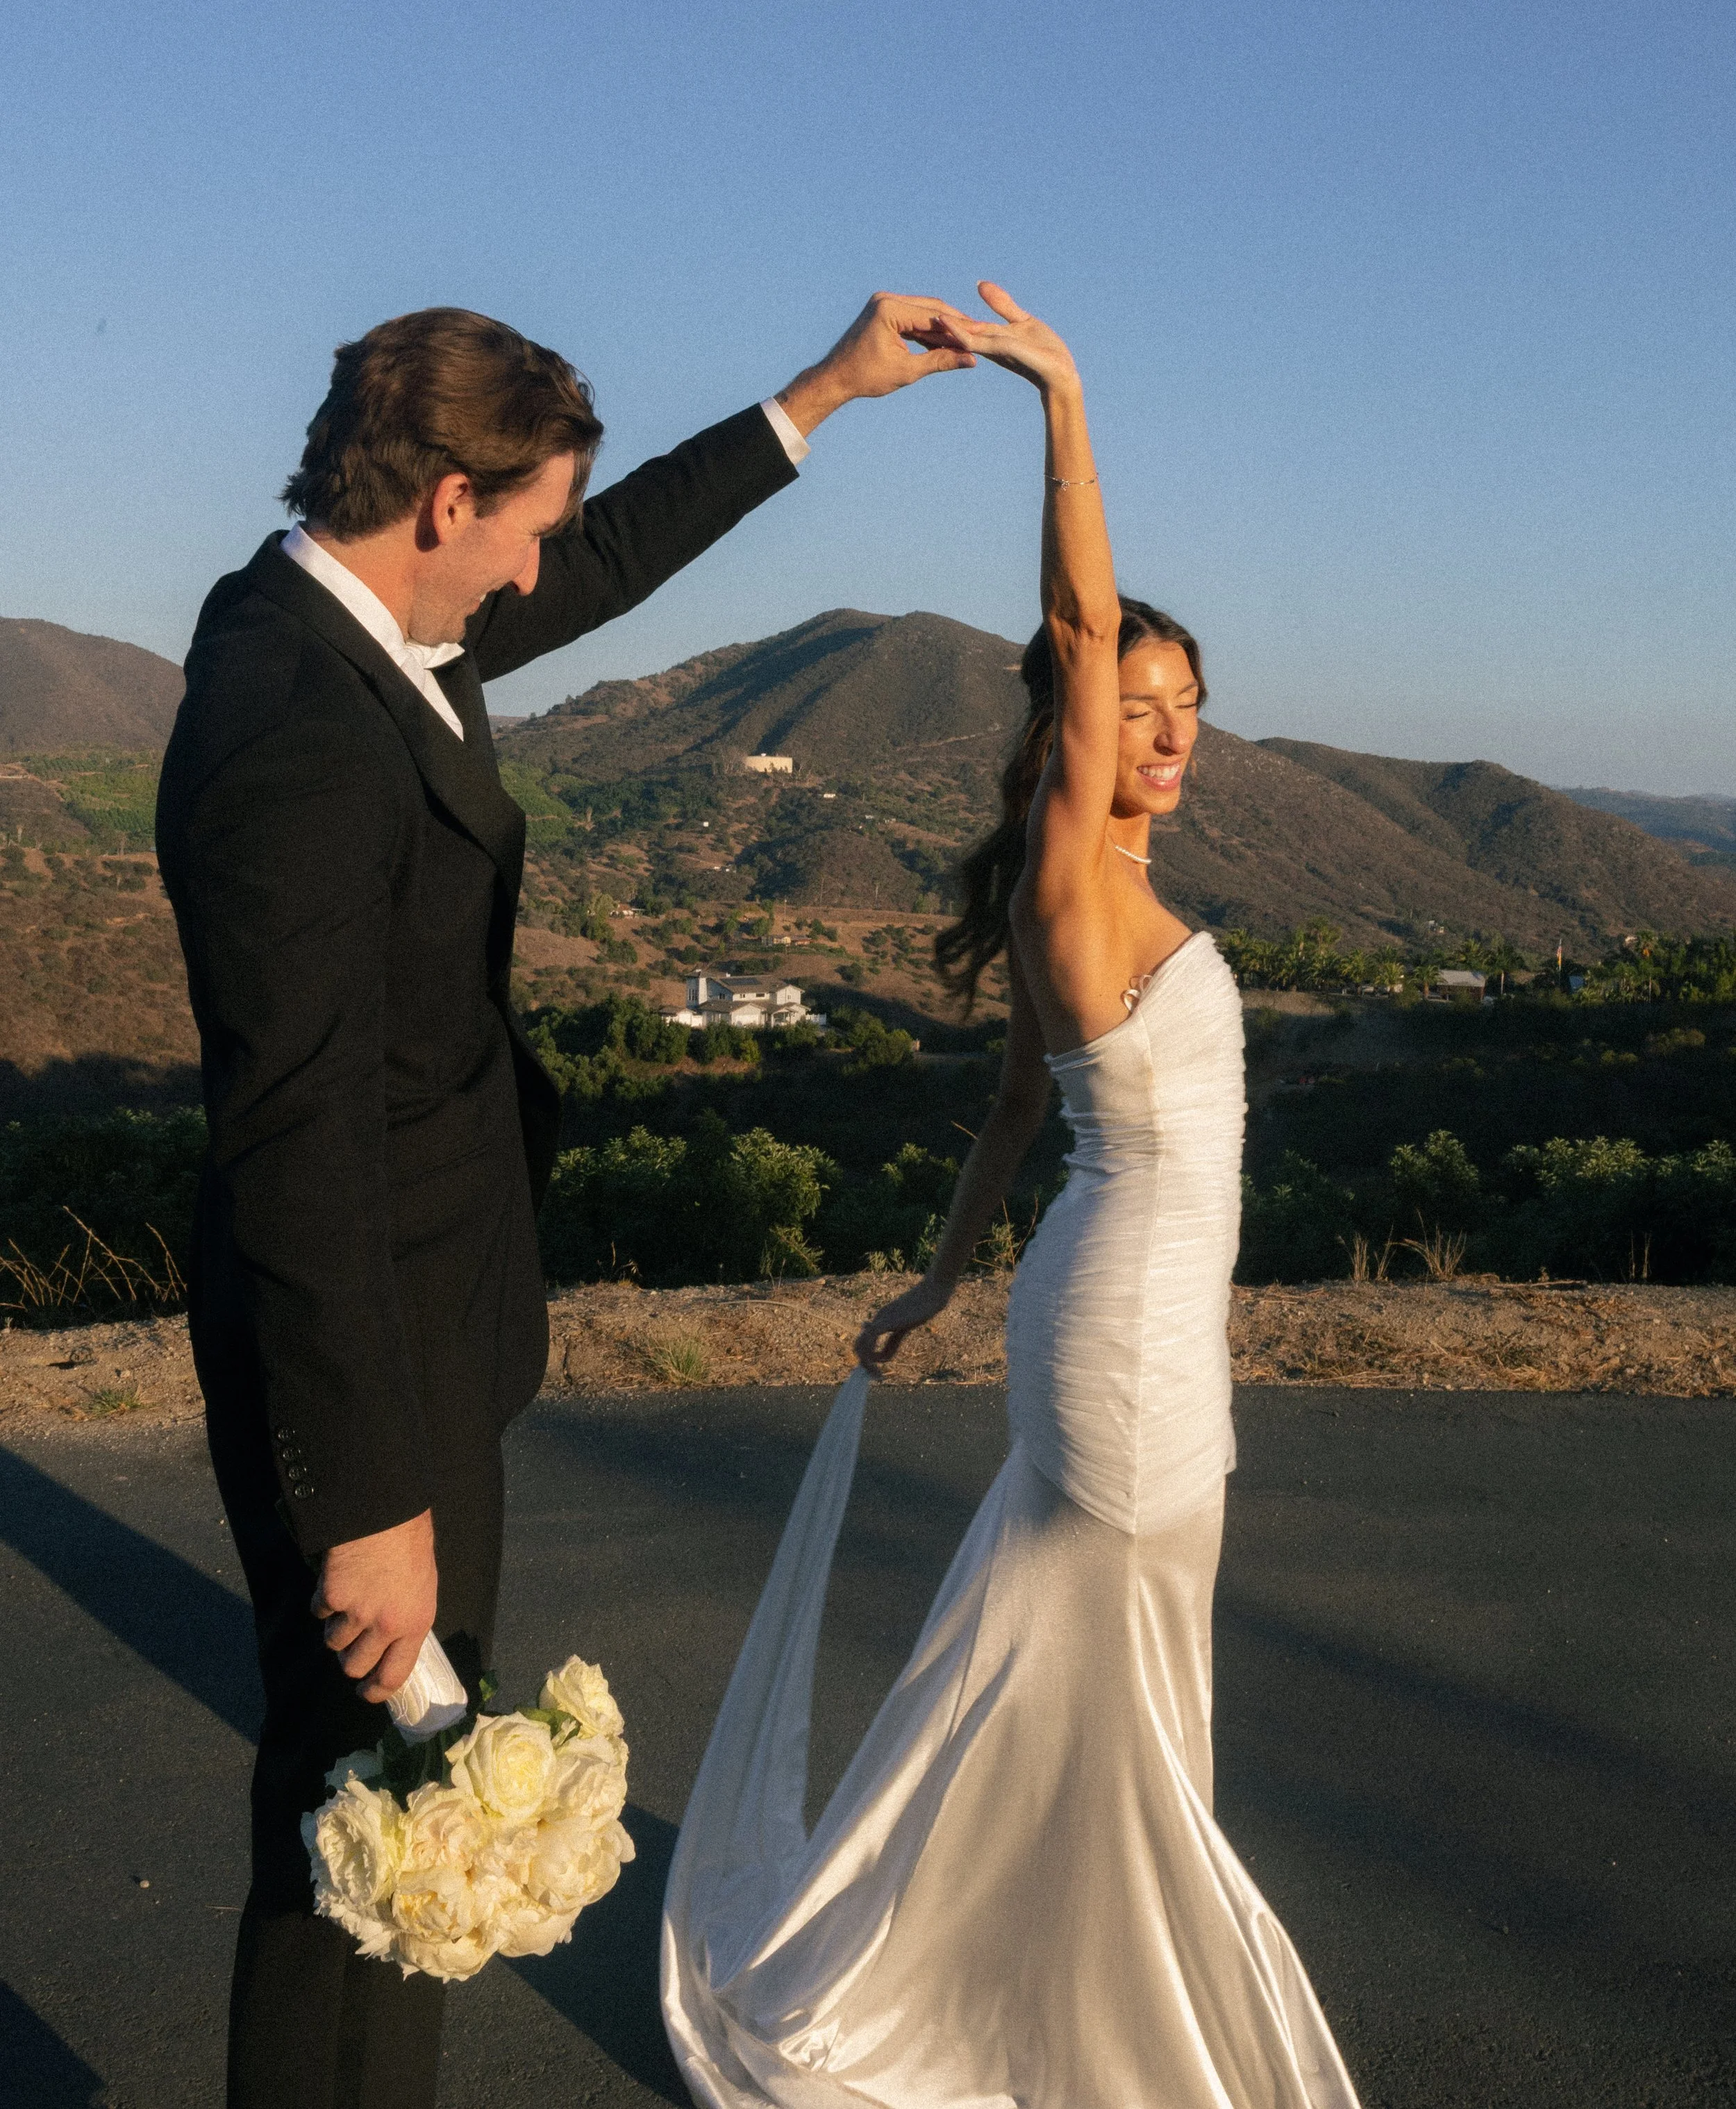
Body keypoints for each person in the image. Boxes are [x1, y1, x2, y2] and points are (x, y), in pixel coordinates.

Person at [155, 292, 976, 2109]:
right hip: (361, 1371)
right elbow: (294, 1141)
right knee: (348, 1827)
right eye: (525, 523)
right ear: (446, 501)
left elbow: (601, 557)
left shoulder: (351, 622)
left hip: (427, 1326)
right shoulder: (295, 724)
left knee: (410, 1813)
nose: (547, 568)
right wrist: (368, 1501)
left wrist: (817, 400)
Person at [662, 285, 1362, 2108]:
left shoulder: (1105, 897)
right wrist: (1063, 394)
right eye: (1132, 704)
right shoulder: (1071, 864)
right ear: (1070, 716)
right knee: (1106, 1710)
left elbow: (1001, 1120)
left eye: (1187, 710)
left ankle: (1021, 2015)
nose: (1165, 735)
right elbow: (1070, 608)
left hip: (1136, 1320)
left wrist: (934, 1281)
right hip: (1119, 1336)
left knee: (1111, 1696)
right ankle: (1114, 2048)